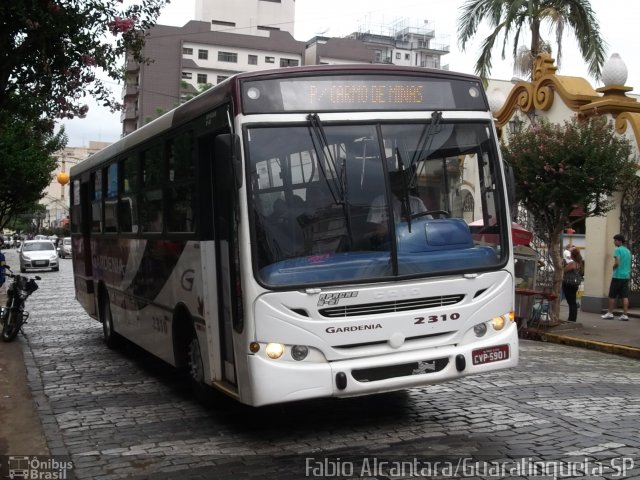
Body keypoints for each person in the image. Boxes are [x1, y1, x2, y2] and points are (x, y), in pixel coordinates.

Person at [601, 234, 631, 321]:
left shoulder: (617, 249)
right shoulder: (628, 251)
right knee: (625, 296)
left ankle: (610, 313)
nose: (614, 242)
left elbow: (617, 262)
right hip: (626, 276)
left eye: (615, 240)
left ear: (619, 241)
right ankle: (625, 315)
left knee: (612, 295)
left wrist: (613, 267)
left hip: (617, 276)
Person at [562, 247, 583, 322]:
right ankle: (572, 318)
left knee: (571, 302)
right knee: (573, 301)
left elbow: (564, 271)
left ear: (572, 255)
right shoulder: (579, 263)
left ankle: (571, 318)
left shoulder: (572, 263)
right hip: (574, 284)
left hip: (568, 284)